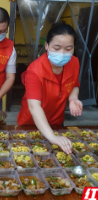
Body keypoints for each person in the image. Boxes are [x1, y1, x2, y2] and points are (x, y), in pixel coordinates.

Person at [17, 22, 83, 154]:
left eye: (68, 49)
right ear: (46, 45)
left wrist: (73, 98)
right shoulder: (35, 70)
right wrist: (51, 136)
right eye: (57, 48)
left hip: (56, 123)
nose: (62, 53)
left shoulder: (74, 62)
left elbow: (74, 84)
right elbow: (34, 106)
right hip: (31, 123)